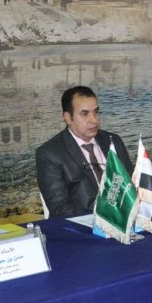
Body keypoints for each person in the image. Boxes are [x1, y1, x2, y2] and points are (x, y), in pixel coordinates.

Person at [36, 86, 134, 218]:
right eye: (85, 114)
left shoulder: (113, 141)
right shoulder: (50, 154)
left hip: (125, 218)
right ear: (68, 118)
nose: (94, 120)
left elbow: (132, 183)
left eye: (96, 112)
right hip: (85, 224)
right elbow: (60, 209)